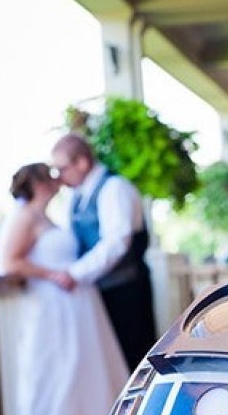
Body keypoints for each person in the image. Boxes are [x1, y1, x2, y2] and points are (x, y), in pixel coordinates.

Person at [0, 162, 128, 415]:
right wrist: (51, 274)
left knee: (84, 370)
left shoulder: (50, 216)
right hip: (50, 305)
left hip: (77, 305)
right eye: (51, 174)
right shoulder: (24, 216)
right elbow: (7, 262)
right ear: (39, 183)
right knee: (57, 371)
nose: (58, 178)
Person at [51, 133, 157, 372]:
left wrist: (75, 273)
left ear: (82, 162)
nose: (60, 177)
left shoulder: (115, 188)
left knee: (134, 361)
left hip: (126, 292)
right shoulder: (77, 197)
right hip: (98, 293)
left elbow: (117, 243)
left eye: (62, 169)